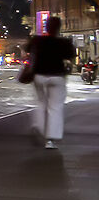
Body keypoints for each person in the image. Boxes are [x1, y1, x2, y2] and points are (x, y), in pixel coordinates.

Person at [27, 16, 75, 148]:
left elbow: (27, 50)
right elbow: (70, 56)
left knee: (41, 102)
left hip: (39, 76)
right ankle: (50, 139)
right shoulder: (64, 42)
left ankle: (39, 126)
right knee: (55, 107)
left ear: (46, 27)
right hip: (57, 77)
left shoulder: (37, 40)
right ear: (59, 28)